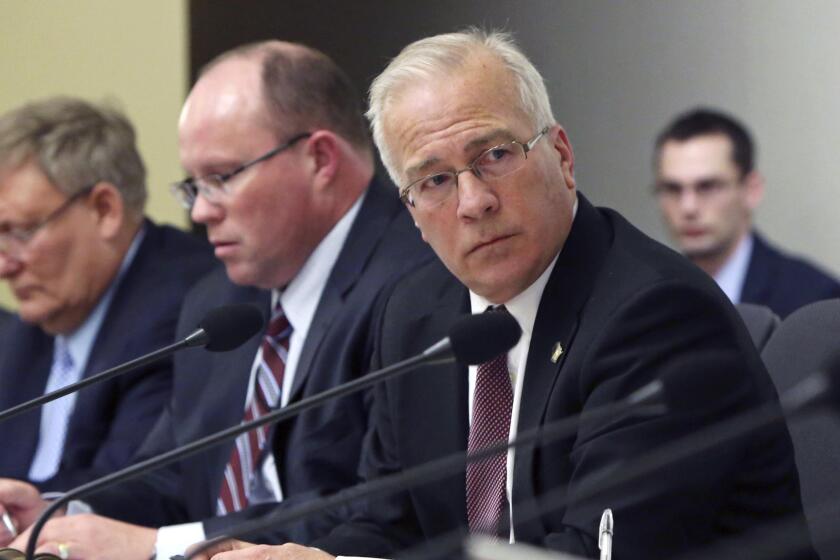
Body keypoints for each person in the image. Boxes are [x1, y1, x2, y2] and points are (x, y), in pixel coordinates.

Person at [194, 30, 816, 560]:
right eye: (434, 180)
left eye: (494, 155)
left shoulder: (655, 317)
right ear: (410, 210)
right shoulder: (415, 314)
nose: (473, 201)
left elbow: (588, 553)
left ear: (562, 156)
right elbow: (389, 523)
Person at [0, 41, 429, 560]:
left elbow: (378, 513)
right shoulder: (220, 299)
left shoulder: (414, 283)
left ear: (319, 159)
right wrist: (59, 512)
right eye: (193, 186)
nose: (200, 211)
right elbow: (168, 477)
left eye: (221, 178)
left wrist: (160, 545)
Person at [0, 97, 215, 491]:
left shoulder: (192, 307)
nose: (4, 266)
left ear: (104, 210)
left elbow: (129, 490)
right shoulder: (25, 329)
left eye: (22, 232)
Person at [653, 108, 840, 318]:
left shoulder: (813, 299)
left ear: (751, 190)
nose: (688, 207)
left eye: (708, 186)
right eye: (672, 189)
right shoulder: (649, 299)